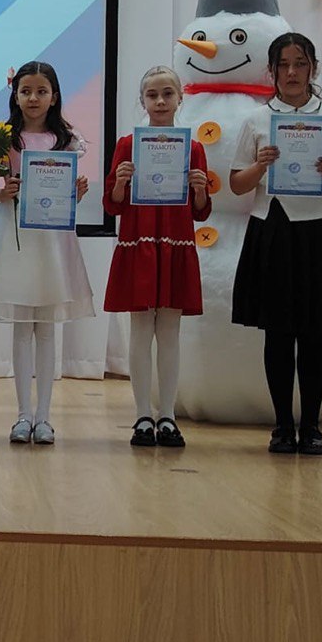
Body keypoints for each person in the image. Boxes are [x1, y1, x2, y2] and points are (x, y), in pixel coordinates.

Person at [229, 33, 322, 456]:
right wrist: (260, 166)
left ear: (313, 68)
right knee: (279, 333)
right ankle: (283, 425)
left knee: (315, 333)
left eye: (300, 63)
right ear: (271, 71)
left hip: (321, 231)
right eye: (283, 64)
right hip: (274, 228)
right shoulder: (256, 120)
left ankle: (312, 427)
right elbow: (237, 184)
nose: (291, 72)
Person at [0, 61, 93, 446]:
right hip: (17, 239)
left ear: (54, 96)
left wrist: (75, 193)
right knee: (22, 328)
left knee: (47, 328)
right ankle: (23, 414)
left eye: (42, 91)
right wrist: (3, 192)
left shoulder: (66, 140)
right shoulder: (4, 139)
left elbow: (64, 195)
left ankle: (45, 417)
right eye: (26, 91)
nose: (34, 98)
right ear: (15, 95)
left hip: (52, 242)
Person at [102, 66, 210, 448]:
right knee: (140, 330)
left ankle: (168, 415)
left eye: (167, 94)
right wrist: (120, 182)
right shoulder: (127, 145)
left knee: (169, 333)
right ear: (142, 100)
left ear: (180, 98)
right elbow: (112, 205)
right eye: (152, 95)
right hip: (139, 243)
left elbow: (200, 211)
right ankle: (142, 415)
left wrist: (200, 189)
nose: (160, 101)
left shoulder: (193, 148)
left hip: (176, 244)